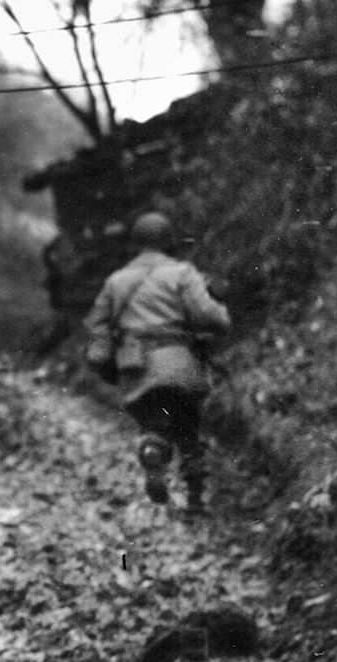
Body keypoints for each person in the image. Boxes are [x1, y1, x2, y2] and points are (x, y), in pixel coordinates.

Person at [83, 210, 231, 513]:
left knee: (153, 422)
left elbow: (96, 327)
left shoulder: (116, 281)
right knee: (188, 429)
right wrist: (221, 318)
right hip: (178, 363)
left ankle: (152, 448)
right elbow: (209, 316)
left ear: (136, 243)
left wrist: (109, 361)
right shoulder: (182, 273)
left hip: (135, 369)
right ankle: (195, 499)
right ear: (169, 241)